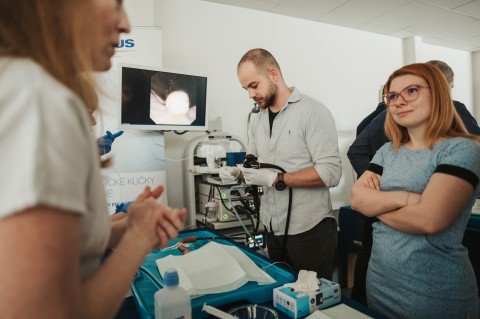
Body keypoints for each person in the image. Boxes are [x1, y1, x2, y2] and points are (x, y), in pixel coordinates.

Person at [0, 1, 187, 319]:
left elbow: (66, 248)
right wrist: (139, 238)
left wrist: (124, 228)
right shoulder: (39, 98)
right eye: (115, 3)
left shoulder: (19, 85)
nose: (126, 23)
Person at [350, 63, 480, 318]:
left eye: (411, 91)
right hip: (380, 285)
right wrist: (408, 199)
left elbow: (429, 220)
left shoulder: (462, 149)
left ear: (439, 92)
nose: (398, 102)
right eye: (392, 96)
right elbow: (356, 199)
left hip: (433, 294)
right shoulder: (387, 151)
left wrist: (376, 206)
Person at [220, 48, 342, 280]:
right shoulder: (257, 119)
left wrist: (278, 179)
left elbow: (332, 172)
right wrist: (238, 174)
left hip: (309, 230)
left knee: (312, 307)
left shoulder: (313, 112)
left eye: (254, 85)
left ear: (273, 74)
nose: (250, 94)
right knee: (281, 299)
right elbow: (255, 165)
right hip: (272, 227)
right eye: (245, 88)